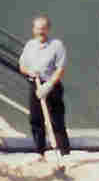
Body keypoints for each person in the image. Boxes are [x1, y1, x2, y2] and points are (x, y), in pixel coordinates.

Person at [18, 14, 71, 166]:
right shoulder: (30, 45)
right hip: (35, 84)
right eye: (37, 28)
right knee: (36, 119)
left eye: (43, 28)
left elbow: (60, 68)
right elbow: (22, 66)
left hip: (51, 85)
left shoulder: (56, 45)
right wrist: (29, 72)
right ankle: (39, 152)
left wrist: (49, 85)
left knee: (56, 119)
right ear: (33, 30)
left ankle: (64, 153)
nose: (40, 31)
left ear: (48, 29)